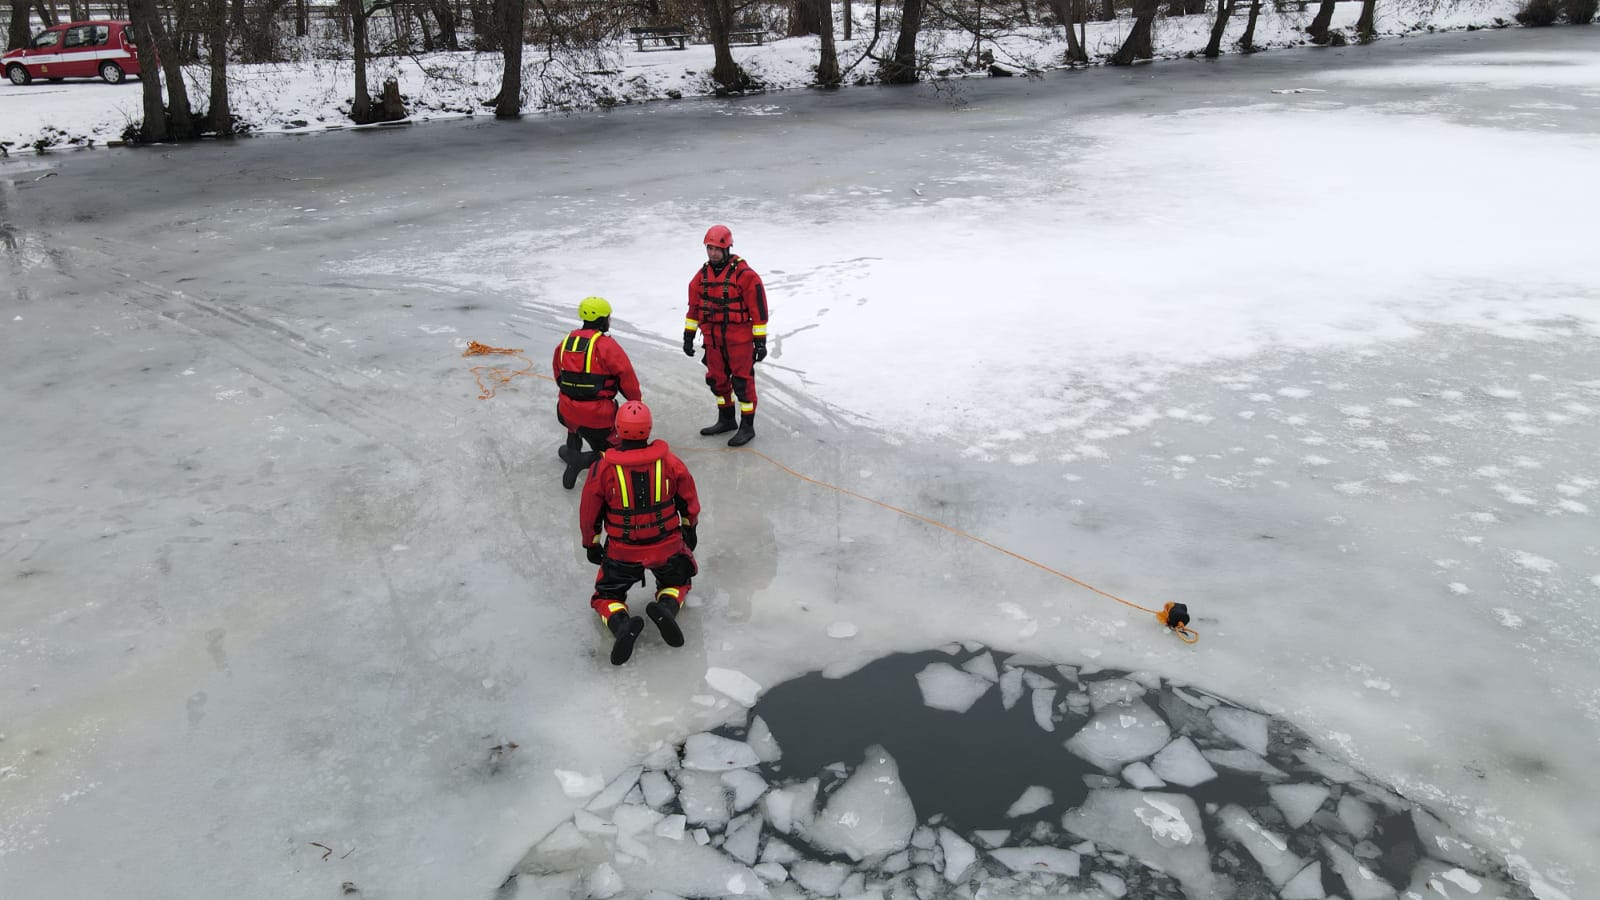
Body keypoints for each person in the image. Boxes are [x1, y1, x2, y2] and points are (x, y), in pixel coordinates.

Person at [578, 400, 701, 666]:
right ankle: (667, 606)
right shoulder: (669, 462)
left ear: (618, 429)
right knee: (677, 582)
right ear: (648, 429)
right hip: (666, 545)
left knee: (606, 596)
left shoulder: (603, 469)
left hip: (623, 550)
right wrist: (690, 526)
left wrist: (591, 542)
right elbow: (688, 497)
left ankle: (621, 623)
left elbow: (589, 510)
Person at [683, 224, 768, 447]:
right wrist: (688, 336)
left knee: (742, 383)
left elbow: (758, 311)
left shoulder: (745, 276)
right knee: (717, 381)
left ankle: (747, 426)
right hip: (713, 340)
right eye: (709, 248)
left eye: (717, 249)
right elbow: (693, 309)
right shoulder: (701, 277)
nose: (712, 253)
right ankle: (727, 419)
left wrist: (760, 343)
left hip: (739, 340)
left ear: (727, 248)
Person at [553, 296, 641, 490]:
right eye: (608, 317)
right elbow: (626, 377)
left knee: (575, 423)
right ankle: (583, 459)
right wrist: (636, 404)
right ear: (602, 319)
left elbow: (559, 376)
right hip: (598, 419)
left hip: (565, 412)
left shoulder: (566, 342)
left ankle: (572, 450)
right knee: (619, 456)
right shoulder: (606, 346)